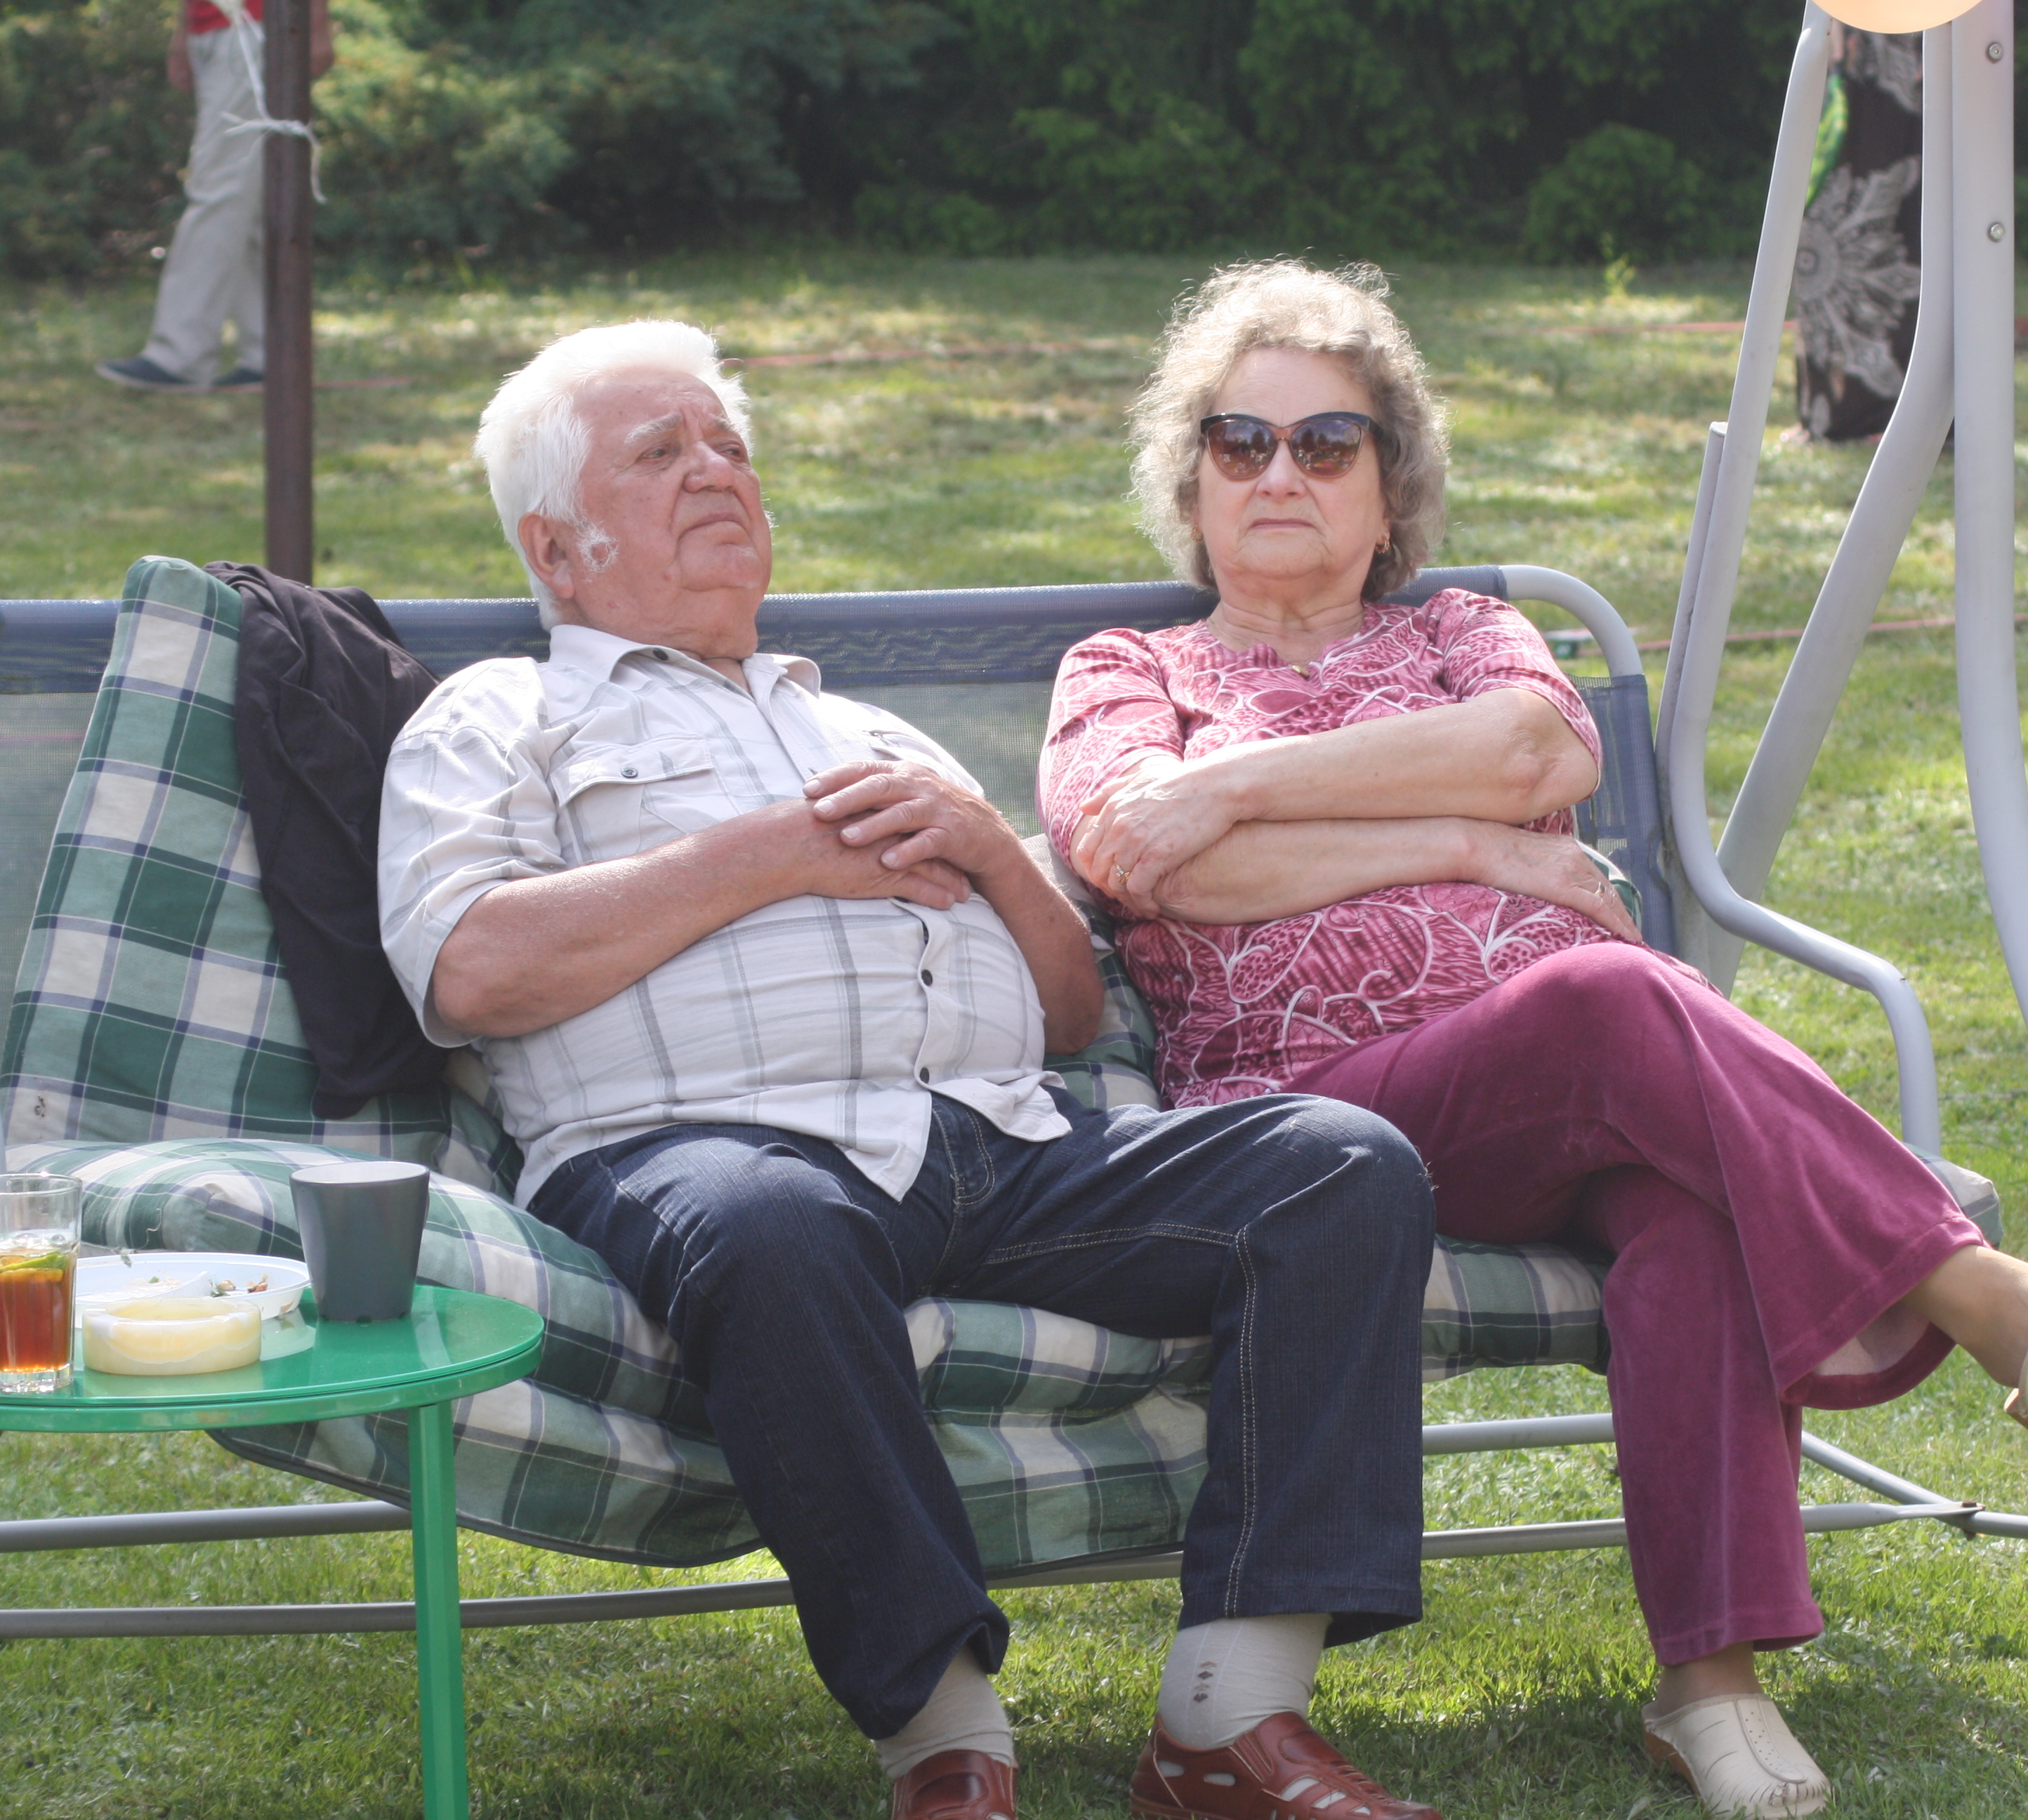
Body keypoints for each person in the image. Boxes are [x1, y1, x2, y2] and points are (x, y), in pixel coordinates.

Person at [1037, 261, 2028, 1820]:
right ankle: (1990, 1298)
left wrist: (1244, 788)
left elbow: (1539, 746)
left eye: (1325, 442)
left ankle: (1707, 1684)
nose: (1277, 472)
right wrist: (1470, 844)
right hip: (1317, 1126)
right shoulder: (1131, 671)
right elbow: (1142, 859)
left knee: (1691, 1206)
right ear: (1192, 483)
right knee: (1612, 995)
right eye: (1238, 440)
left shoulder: (1465, 630)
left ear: (1391, 492)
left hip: (1574, 1102)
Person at [376, 319, 1449, 1820]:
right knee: (774, 1228)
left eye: (728, 445)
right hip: (704, 1146)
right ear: (556, 550)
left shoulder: (868, 727)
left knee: (1336, 1168)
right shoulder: (499, 718)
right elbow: (469, 968)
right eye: (661, 453)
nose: (716, 471)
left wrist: (996, 854)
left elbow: (1068, 1014)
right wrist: (773, 854)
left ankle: (1229, 1715)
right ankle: (946, 1741)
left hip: (1000, 1143)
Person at [96, 0, 332, 393]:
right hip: (219, 30)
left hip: (257, 29)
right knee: (248, 202)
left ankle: (180, 355)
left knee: (219, 192)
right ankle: (271, 356)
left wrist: (316, 23)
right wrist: (184, 32)